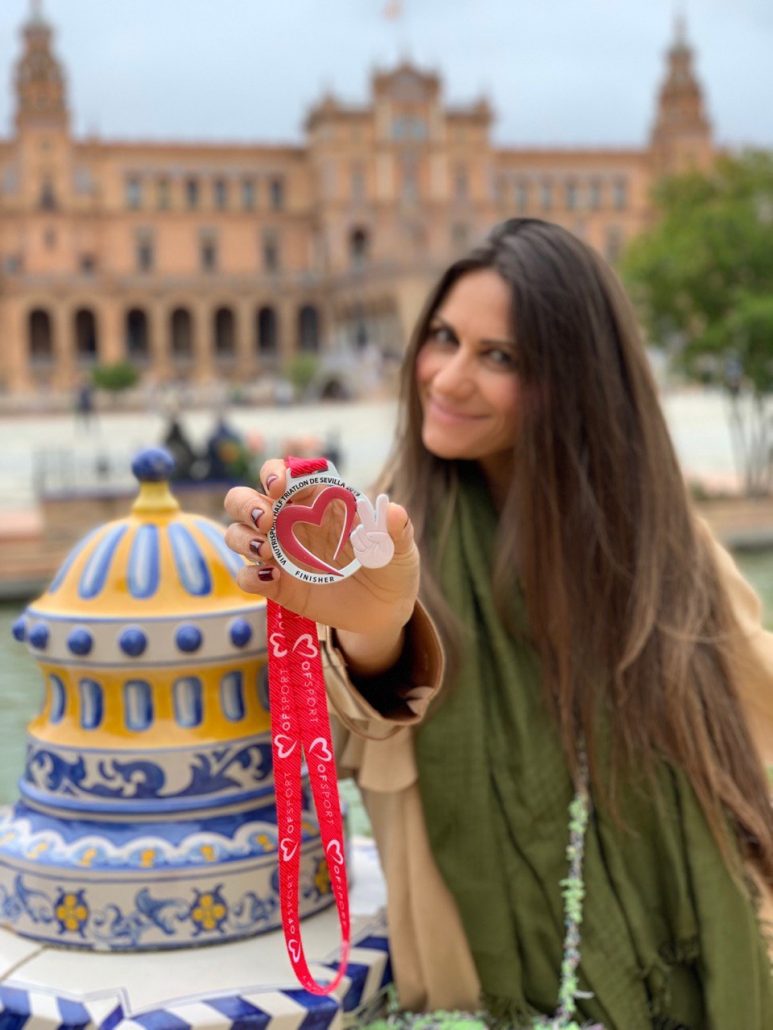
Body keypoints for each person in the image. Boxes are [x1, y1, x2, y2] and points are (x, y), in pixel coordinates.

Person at [224, 219, 773, 1028]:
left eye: (499, 357)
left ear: (575, 379)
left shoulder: (666, 556)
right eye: (442, 337)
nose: (446, 378)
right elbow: (353, 716)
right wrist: (373, 630)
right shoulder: (383, 542)